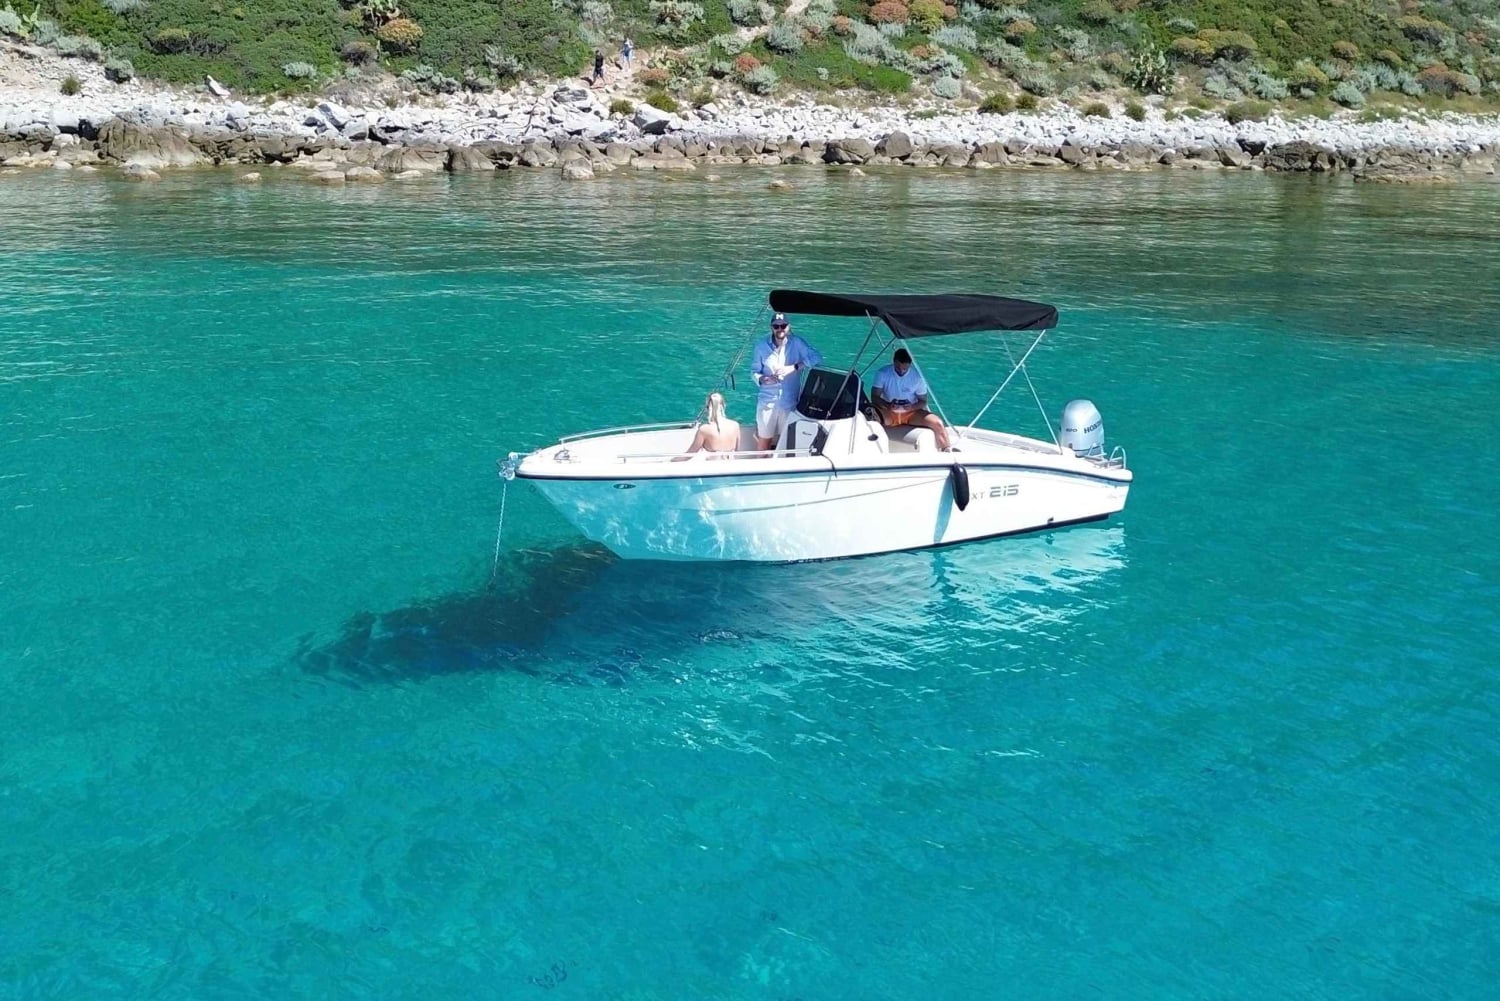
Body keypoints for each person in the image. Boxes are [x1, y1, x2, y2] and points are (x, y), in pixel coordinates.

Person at [750, 312, 822, 451]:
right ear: (771, 327)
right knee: (764, 441)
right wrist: (763, 379)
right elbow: (754, 371)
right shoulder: (761, 346)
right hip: (767, 401)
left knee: (787, 442)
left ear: (788, 327)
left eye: (783, 326)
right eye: (776, 326)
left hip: (789, 402)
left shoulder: (797, 343)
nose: (780, 329)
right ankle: (760, 467)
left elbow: (816, 357)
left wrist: (794, 367)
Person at [871, 347, 953, 451]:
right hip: (889, 412)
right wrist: (888, 405)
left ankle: (947, 452)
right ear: (894, 362)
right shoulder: (882, 373)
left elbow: (923, 401)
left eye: (905, 369)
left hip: (911, 413)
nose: (901, 371)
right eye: (898, 368)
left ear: (910, 365)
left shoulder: (917, 377)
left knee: (938, 423)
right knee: (871, 419)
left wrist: (911, 407)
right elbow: (874, 397)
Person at [674, 391, 740, 460]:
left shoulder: (704, 430)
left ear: (708, 408)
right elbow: (737, 450)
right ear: (724, 406)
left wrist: (670, 461)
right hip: (731, 467)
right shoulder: (735, 426)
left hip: (713, 469)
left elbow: (689, 455)